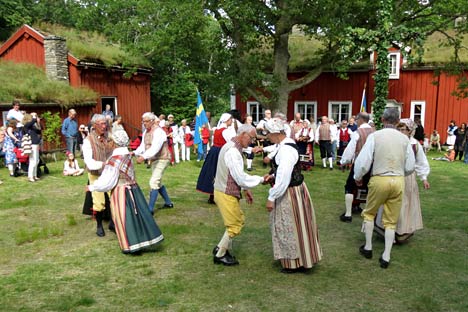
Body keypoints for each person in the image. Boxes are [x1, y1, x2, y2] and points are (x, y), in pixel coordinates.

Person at [354, 108, 415, 269]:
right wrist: (401, 172)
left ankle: (368, 247)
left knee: (369, 213)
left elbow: (364, 160)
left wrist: (358, 176)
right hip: (398, 179)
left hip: (380, 178)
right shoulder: (404, 139)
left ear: (382, 119)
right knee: (391, 220)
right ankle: (386, 255)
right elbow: (410, 165)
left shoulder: (375, 136)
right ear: (397, 121)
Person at [87, 130, 164, 254]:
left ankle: (131, 244)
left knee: (125, 217)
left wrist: (93, 187)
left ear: (114, 143)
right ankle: (143, 239)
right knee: (138, 215)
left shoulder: (114, 159)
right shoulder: (128, 154)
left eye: (110, 141)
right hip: (134, 189)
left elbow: (108, 181)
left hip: (121, 191)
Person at [264, 118, 322, 273]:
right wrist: (272, 176)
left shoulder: (286, 150)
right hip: (295, 191)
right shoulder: (285, 144)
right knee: (299, 225)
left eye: (268, 133)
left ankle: (294, 263)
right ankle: (302, 259)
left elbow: (284, 177)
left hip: (290, 193)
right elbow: (282, 171)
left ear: (276, 133)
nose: (267, 136)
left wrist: (272, 197)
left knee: (288, 225)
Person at [212, 124, 265, 266]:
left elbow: (236, 175)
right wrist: (261, 179)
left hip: (222, 190)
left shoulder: (231, 145)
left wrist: (246, 189)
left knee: (237, 220)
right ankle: (220, 254)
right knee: (235, 224)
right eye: (251, 138)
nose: (252, 141)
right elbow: (239, 178)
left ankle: (220, 247)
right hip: (225, 192)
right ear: (243, 135)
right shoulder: (233, 152)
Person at [375, 119, 430, 243]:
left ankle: (401, 231)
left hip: (407, 177)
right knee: (388, 202)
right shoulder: (393, 142)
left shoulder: (415, 144)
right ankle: (386, 229)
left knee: (404, 204)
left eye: (403, 129)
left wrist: (424, 178)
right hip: (392, 174)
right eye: (398, 129)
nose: (400, 131)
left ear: (409, 131)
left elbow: (421, 162)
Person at [83, 114, 115, 237]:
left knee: (114, 198)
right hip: (96, 174)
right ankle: (99, 226)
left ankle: (113, 223)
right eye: (101, 123)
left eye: (105, 123)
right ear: (94, 125)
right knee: (99, 202)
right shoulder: (88, 140)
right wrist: (104, 164)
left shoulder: (109, 137)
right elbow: (89, 162)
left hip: (109, 173)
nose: (104, 125)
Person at [134, 113, 174, 214]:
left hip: (163, 158)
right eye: (143, 121)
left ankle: (150, 209)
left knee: (153, 182)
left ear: (152, 121)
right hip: (155, 159)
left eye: (146, 121)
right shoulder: (145, 132)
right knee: (158, 182)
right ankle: (168, 203)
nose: (144, 123)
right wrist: (134, 153)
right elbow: (143, 146)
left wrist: (143, 157)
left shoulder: (159, 132)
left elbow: (155, 148)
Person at [339, 112, 374, 222]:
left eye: (356, 119)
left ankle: (348, 214)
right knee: (368, 187)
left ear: (360, 120)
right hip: (373, 165)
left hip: (359, 163)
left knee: (350, 186)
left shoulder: (357, 132)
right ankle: (362, 209)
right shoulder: (375, 132)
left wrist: (344, 161)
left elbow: (350, 149)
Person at [196, 113, 235, 204]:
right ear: (226, 120)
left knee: (213, 172)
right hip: (221, 152)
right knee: (220, 173)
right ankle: (216, 196)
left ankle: (213, 196)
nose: (231, 121)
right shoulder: (225, 131)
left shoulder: (217, 129)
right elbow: (231, 143)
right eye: (230, 120)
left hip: (214, 151)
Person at [23, 113, 41, 182]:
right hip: (32, 144)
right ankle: (30, 176)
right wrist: (34, 118)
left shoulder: (32, 126)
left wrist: (38, 123)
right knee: (33, 161)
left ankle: (34, 175)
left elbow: (39, 131)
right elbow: (29, 124)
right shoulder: (26, 125)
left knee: (37, 160)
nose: (35, 117)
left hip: (36, 144)